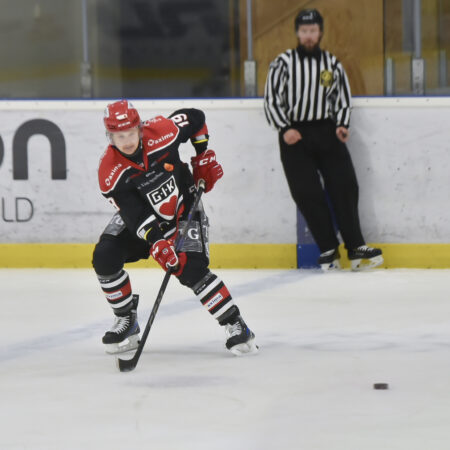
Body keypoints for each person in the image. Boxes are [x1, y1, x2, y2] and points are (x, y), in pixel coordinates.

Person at [92, 100, 257, 356]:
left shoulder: (163, 131)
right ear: (109, 137)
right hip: (144, 219)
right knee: (105, 256)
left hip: (184, 209)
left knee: (191, 269)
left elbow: (196, 117)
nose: (127, 141)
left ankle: (235, 324)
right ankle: (126, 319)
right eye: (119, 136)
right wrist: (158, 241)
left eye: (131, 133)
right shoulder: (110, 172)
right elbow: (134, 214)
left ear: (140, 128)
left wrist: (202, 155)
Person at [263, 8, 383, 271]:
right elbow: (271, 100)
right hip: (294, 135)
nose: (308, 36)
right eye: (304, 31)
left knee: (345, 186)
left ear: (320, 33)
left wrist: (342, 124)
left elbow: (342, 98)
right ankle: (328, 248)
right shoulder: (283, 63)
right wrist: (285, 128)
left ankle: (355, 246)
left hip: (327, 131)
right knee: (306, 192)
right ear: (297, 33)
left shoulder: (331, 64)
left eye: (313, 31)